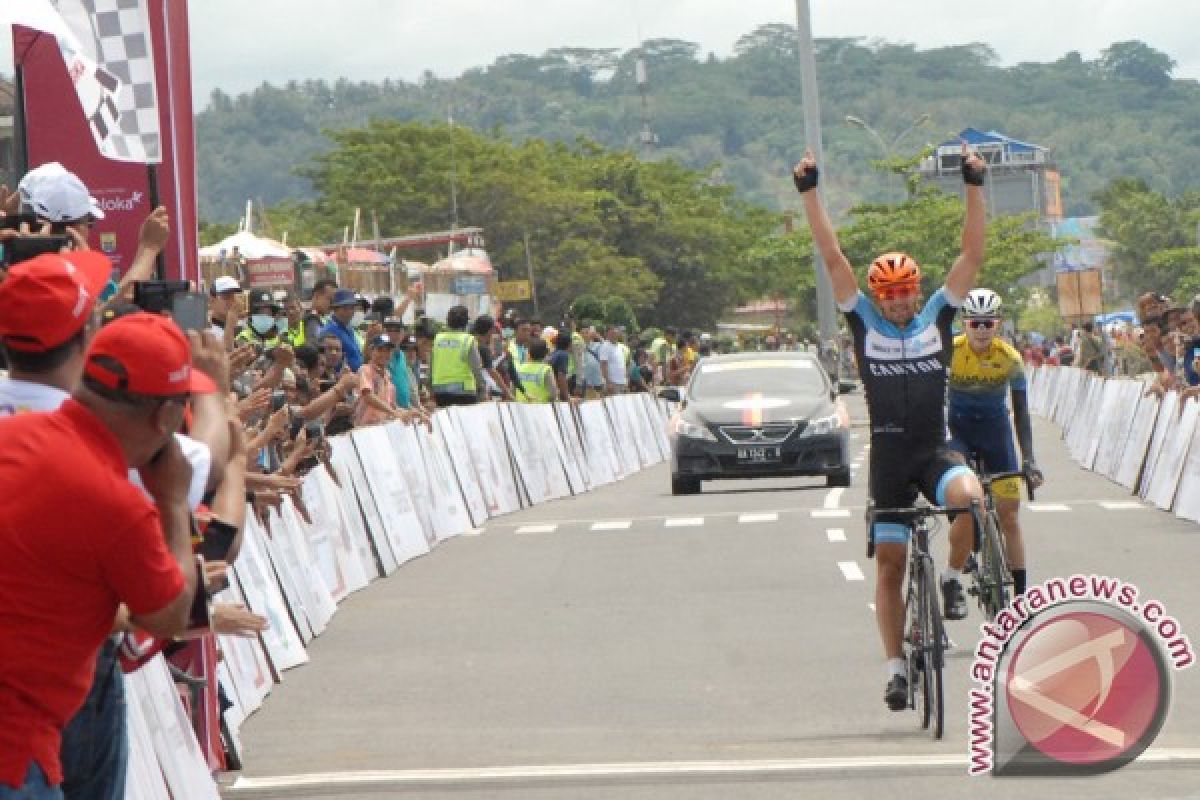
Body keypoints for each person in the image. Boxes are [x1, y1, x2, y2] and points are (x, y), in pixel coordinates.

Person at [793, 140, 989, 712]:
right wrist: (810, 193)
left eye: (907, 294)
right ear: (878, 297)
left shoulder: (937, 316)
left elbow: (971, 255)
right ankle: (896, 668)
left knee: (970, 498)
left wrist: (973, 185)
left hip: (934, 452)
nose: (902, 304)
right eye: (892, 296)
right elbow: (833, 257)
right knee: (890, 567)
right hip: (889, 462)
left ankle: (953, 579)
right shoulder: (864, 323)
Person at [0, 313, 210, 797]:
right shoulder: (117, 504)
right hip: (14, 749)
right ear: (167, 417)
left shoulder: (13, 435)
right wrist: (174, 505)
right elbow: (168, 615)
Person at [948, 288, 1045, 600]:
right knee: (959, 494)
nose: (981, 329)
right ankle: (968, 537)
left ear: (998, 324)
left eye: (987, 323)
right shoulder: (949, 352)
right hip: (959, 430)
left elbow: (1021, 413)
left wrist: (1029, 460)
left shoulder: (1011, 359)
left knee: (1010, 517)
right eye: (974, 323)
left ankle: (1020, 597)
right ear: (964, 323)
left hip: (995, 431)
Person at [430, 305, 484, 407]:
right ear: (465, 322)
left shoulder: (438, 339)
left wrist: (430, 387)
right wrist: (482, 389)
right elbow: (476, 368)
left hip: (440, 391)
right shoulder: (468, 340)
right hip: (464, 391)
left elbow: (431, 365)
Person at [354, 335, 408, 426]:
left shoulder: (387, 376)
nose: (384, 354)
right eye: (380, 350)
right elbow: (368, 396)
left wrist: (411, 413)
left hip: (381, 429)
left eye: (388, 351)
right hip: (363, 429)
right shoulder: (365, 370)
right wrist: (393, 412)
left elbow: (393, 406)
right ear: (371, 351)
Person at [318, 288, 365, 372]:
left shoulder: (349, 329)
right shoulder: (330, 330)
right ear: (335, 309)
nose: (349, 312)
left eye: (352, 308)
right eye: (345, 308)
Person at [515, 337, 559, 403]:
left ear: (529, 352)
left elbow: (513, 389)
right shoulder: (545, 370)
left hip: (521, 408)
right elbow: (553, 394)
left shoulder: (520, 368)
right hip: (539, 409)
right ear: (545, 353)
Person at [303, 278, 338, 344]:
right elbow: (314, 345)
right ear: (316, 296)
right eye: (330, 299)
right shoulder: (311, 319)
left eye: (334, 301)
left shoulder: (324, 318)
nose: (332, 304)